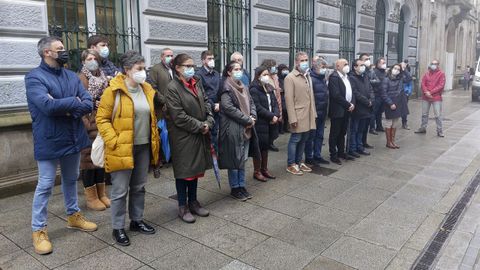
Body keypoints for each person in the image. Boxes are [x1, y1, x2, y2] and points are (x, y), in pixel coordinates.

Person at [26, 36, 97, 255]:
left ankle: (73, 215)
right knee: (46, 184)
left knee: (70, 178)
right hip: (49, 138)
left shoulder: (70, 76)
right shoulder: (34, 78)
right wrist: (72, 103)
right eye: (60, 48)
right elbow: (46, 106)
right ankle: (38, 230)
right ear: (47, 52)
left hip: (73, 136)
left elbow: (87, 102)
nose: (64, 51)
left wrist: (67, 106)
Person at [96, 50, 159, 246]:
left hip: (143, 145)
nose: (143, 72)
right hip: (121, 147)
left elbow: (152, 116)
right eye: (139, 68)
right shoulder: (112, 91)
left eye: (144, 68)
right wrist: (113, 140)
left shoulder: (147, 89)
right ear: (127, 70)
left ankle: (137, 220)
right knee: (120, 190)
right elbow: (102, 118)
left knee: (139, 187)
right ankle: (118, 228)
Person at [166, 53, 214, 223]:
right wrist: (200, 126)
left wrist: (208, 121)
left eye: (192, 66)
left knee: (195, 171)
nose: (191, 69)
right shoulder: (172, 88)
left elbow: (207, 102)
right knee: (184, 172)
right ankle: (182, 206)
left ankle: (193, 201)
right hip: (183, 137)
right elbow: (178, 116)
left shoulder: (196, 82)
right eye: (187, 66)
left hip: (199, 133)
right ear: (178, 68)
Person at [218, 61, 257, 201]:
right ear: (229, 72)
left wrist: (253, 116)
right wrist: (247, 120)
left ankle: (242, 185)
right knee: (234, 159)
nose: (239, 71)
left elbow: (251, 103)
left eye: (240, 69)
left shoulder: (244, 87)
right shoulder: (226, 88)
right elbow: (228, 108)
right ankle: (235, 187)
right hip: (233, 129)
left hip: (246, 128)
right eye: (236, 69)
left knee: (242, 159)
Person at [78, 49, 110, 211]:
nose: (92, 61)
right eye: (88, 58)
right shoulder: (81, 78)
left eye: (94, 58)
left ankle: (101, 193)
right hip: (88, 122)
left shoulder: (103, 76)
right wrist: (92, 104)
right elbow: (78, 100)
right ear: (83, 61)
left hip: (102, 121)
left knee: (100, 159)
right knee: (88, 161)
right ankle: (91, 197)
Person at [284, 52, 317, 175]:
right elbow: (288, 99)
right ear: (296, 62)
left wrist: (313, 113)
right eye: (302, 60)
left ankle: (299, 162)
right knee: (295, 138)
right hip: (298, 114)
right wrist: (292, 117)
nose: (304, 62)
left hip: (308, 113)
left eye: (306, 60)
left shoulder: (307, 75)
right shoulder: (290, 77)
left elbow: (311, 96)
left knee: (304, 138)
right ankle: (291, 164)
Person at [250, 66, 280, 181]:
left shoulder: (269, 87)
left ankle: (264, 169)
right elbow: (257, 107)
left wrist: (276, 115)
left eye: (267, 74)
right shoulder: (254, 89)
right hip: (261, 122)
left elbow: (275, 103)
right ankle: (257, 171)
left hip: (271, 122)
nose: (267, 77)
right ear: (258, 76)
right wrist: (271, 116)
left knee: (266, 147)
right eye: (264, 74)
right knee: (258, 147)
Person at [148, 48, 175, 176]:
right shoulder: (155, 69)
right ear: (161, 57)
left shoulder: (174, 69)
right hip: (161, 108)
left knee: (171, 133)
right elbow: (153, 88)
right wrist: (163, 100)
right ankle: (161, 159)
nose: (170, 57)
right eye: (167, 55)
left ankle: (172, 157)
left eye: (171, 55)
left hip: (174, 108)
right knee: (161, 134)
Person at [327, 58, 356, 165]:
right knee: (335, 133)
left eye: (347, 64)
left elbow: (351, 91)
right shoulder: (334, 77)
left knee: (342, 132)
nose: (347, 66)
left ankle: (341, 152)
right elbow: (336, 95)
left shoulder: (347, 77)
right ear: (338, 66)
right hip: (338, 110)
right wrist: (348, 104)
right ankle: (333, 155)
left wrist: (352, 103)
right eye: (345, 64)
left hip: (347, 109)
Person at [304, 56, 330, 165]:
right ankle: (309, 157)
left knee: (320, 136)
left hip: (322, 112)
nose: (325, 69)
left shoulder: (322, 78)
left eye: (325, 67)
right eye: (323, 67)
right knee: (311, 136)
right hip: (314, 113)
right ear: (316, 67)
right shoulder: (311, 79)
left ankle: (317, 155)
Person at [196, 50, 221, 152]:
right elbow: (202, 93)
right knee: (209, 132)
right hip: (207, 107)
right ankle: (210, 154)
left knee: (217, 131)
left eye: (213, 58)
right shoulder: (199, 75)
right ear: (203, 61)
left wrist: (219, 103)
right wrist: (213, 105)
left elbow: (220, 89)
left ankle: (216, 152)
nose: (212, 61)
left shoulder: (216, 73)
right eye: (209, 59)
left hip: (219, 107)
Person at [348, 58, 373, 157]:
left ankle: (360, 147)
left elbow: (370, 89)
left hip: (366, 108)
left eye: (363, 65)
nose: (363, 67)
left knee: (361, 130)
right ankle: (352, 149)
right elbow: (355, 93)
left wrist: (372, 99)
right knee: (354, 130)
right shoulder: (352, 77)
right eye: (361, 65)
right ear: (355, 67)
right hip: (358, 108)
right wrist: (367, 101)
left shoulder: (365, 76)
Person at [414, 59, 446, 137]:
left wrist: (430, 92)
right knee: (424, 114)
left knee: (437, 115)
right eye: (432, 63)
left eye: (435, 64)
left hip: (436, 97)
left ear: (438, 65)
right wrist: (426, 92)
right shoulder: (427, 74)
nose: (433, 65)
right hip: (426, 97)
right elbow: (423, 84)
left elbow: (441, 85)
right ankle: (423, 128)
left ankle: (440, 130)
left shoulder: (441, 74)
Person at [381, 63, 409, 148]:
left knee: (395, 123)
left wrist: (404, 70)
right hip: (389, 103)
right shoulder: (386, 79)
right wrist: (390, 103)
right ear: (391, 68)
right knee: (389, 122)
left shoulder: (400, 78)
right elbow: (383, 93)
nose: (396, 70)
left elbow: (408, 78)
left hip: (398, 103)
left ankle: (393, 141)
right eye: (395, 68)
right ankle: (388, 142)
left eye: (398, 69)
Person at [260, 59, 283, 152]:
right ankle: (268, 143)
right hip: (268, 104)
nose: (275, 68)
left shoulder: (275, 77)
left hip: (276, 102)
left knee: (275, 126)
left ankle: (271, 142)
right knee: (269, 126)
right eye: (273, 66)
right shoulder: (265, 78)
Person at [359, 53, 379, 148]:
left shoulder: (370, 71)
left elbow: (375, 83)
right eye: (365, 59)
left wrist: (371, 99)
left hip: (370, 101)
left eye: (368, 59)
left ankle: (364, 142)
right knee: (359, 127)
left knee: (366, 124)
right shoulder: (359, 71)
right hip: (362, 103)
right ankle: (358, 144)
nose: (368, 61)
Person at [371, 57, 387, 133]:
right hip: (376, 94)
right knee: (374, 112)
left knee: (380, 112)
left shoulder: (384, 72)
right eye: (382, 63)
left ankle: (379, 126)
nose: (384, 64)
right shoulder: (374, 72)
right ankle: (372, 127)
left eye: (384, 63)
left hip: (383, 95)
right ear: (378, 64)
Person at [277, 64, 290, 134]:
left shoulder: (287, 78)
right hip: (281, 98)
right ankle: (280, 128)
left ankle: (286, 127)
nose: (285, 71)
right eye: (283, 70)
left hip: (286, 98)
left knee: (286, 114)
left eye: (286, 70)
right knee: (281, 113)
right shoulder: (278, 78)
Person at [401, 62, 413, 129]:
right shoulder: (397, 73)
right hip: (396, 93)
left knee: (404, 109)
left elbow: (409, 82)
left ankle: (404, 123)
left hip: (405, 93)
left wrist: (408, 92)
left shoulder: (407, 74)